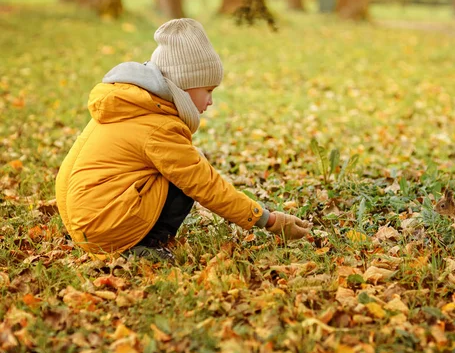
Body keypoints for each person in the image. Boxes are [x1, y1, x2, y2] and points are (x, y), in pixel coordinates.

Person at [55, 18, 311, 260]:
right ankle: (140, 246)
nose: (210, 101)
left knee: (185, 166)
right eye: (208, 90)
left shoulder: (131, 104)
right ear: (184, 85)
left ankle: (112, 236)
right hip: (103, 230)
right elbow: (205, 185)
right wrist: (268, 220)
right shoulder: (158, 127)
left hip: (88, 221)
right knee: (188, 175)